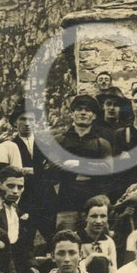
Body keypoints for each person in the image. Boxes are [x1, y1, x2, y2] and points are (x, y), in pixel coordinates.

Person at [47, 94, 113, 230]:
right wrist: (91, 168)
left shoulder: (102, 143)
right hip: (67, 200)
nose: (83, 113)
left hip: (95, 199)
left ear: (94, 116)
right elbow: (53, 168)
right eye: (79, 109)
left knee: (95, 240)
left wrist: (77, 164)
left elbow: (107, 168)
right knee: (65, 237)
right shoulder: (60, 140)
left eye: (88, 110)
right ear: (72, 114)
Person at [9, 103, 56, 254]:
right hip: (23, 199)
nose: (27, 123)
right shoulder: (10, 145)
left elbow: (54, 170)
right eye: (23, 119)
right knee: (23, 240)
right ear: (15, 123)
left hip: (45, 197)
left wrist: (32, 171)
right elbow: (9, 172)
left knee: (53, 237)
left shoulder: (45, 144)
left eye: (31, 119)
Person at [0, 165, 36, 273]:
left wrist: (31, 264)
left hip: (17, 264)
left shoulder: (16, 210)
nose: (15, 191)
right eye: (10, 186)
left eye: (20, 187)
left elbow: (23, 244)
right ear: (0, 185)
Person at [76, 195, 118, 273]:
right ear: (86, 217)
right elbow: (72, 270)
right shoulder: (75, 240)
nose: (99, 221)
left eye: (103, 216)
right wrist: (91, 258)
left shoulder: (108, 242)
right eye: (94, 216)